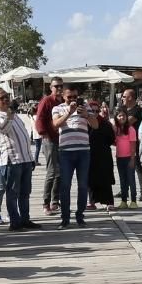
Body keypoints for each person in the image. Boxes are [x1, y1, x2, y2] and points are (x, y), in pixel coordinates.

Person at [0, 87, 40, 232]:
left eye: (7, 97)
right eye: (1, 98)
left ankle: (25, 219)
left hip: (25, 159)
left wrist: (31, 157)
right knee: (12, 193)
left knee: (25, 192)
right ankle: (15, 223)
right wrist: (9, 115)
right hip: (11, 160)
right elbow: (3, 130)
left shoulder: (14, 115)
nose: (5, 100)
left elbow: (23, 137)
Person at [52, 85, 97, 229]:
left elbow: (95, 125)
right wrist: (69, 113)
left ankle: (80, 216)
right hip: (66, 152)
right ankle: (65, 218)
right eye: (69, 97)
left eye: (75, 97)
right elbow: (55, 124)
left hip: (83, 151)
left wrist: (87, 115)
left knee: (83, 185)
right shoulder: (57, 108)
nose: (72, 99)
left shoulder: (85, 107)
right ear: (63, 96)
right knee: (65, 186)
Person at [34, 77, 64, 215]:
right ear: (50, 87)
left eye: (60, 86)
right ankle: (46, 203)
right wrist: (43, 134)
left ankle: (55, 201)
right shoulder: (47, 101)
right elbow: (39, 118)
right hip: (50, 139)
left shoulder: (63, 101)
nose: (59, 89)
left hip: (62, 140)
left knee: (60, 172)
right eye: (56, 86)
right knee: (52, 171)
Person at [118, 88, 142, 202]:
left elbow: (125, 123)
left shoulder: (136, 110)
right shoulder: (124, 109)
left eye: (124, 97)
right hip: (122, 142)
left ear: (130, 97)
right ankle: (124, 190)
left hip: (132, 142)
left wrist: (117, 120)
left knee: (136, 166)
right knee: (123, 167)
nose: (122, 98)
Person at [86, 98, 116, 211]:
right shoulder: (84, 122)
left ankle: (109, 202)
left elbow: (111, 139)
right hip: (89, 154)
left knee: (105, 178)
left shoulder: (105, 123)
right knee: (90, 178)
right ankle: (92, 202)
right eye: (91, 111)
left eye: (96, 111)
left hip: (103, 154)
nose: (94, 113)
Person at [113, 108, 139, 208]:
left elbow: (133, 145)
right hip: (119, 158)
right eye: (119, 115)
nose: (121, 117)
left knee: (131, 179)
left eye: (123, 115)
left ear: (126, 117)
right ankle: (124, 201)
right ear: (116, 117)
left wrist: (132, 159)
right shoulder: (116, 129)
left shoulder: (131, 129)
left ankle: (133, 201)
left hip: (129, 158)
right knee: (122, 180)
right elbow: (116, 142)